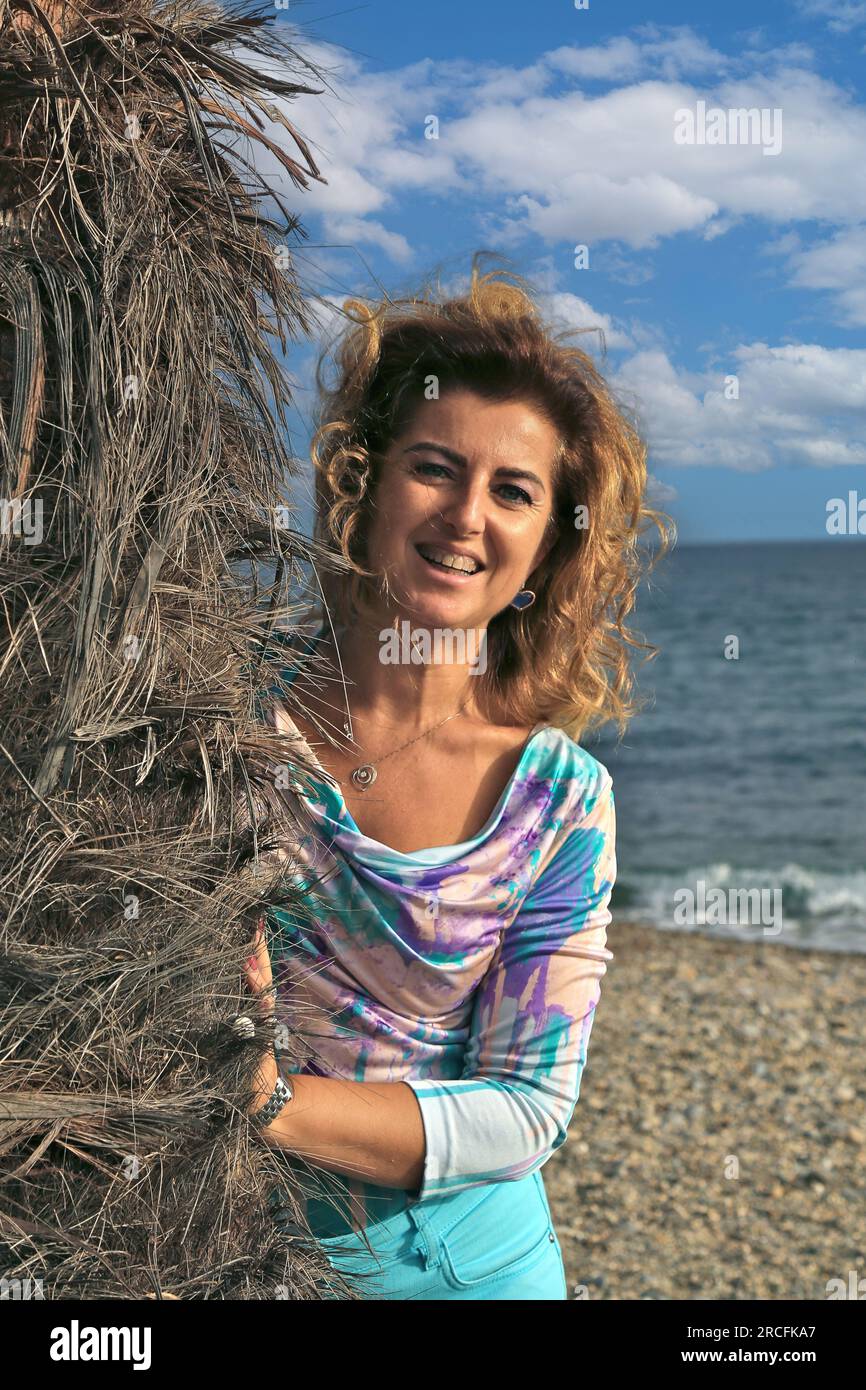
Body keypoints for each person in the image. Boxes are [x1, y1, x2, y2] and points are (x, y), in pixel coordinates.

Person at [243, 257, 671, 1299]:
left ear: (545, 548)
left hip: (479, 1267)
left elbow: (526, 1107)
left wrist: (268, 1101)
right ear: (367, 477)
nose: (466, 515)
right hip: (233, 1258)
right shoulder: (225, 722)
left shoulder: (559, 801)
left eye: (513, 490)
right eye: (435, 467)